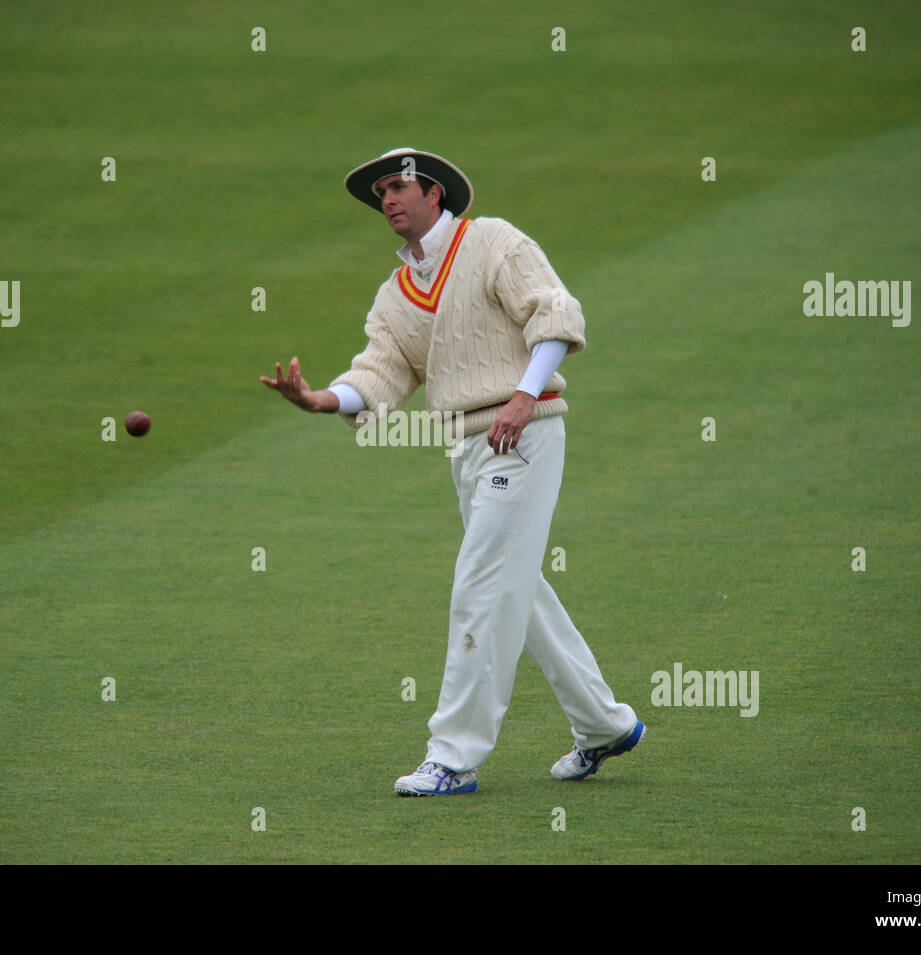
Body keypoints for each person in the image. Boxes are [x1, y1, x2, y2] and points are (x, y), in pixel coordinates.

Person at [260, 148, 645, 796]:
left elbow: (554, 312)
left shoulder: (493, 240)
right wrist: (321, 398)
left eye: (398, 185)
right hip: (469, 449)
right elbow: (379, 372)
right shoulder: (395, 293)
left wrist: (524, 395)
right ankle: (603, 722)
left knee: (480, 583)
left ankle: (454, 756)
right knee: (518, 590)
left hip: (523, 431)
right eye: (380, 191)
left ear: (435, 193)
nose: (387, 199)